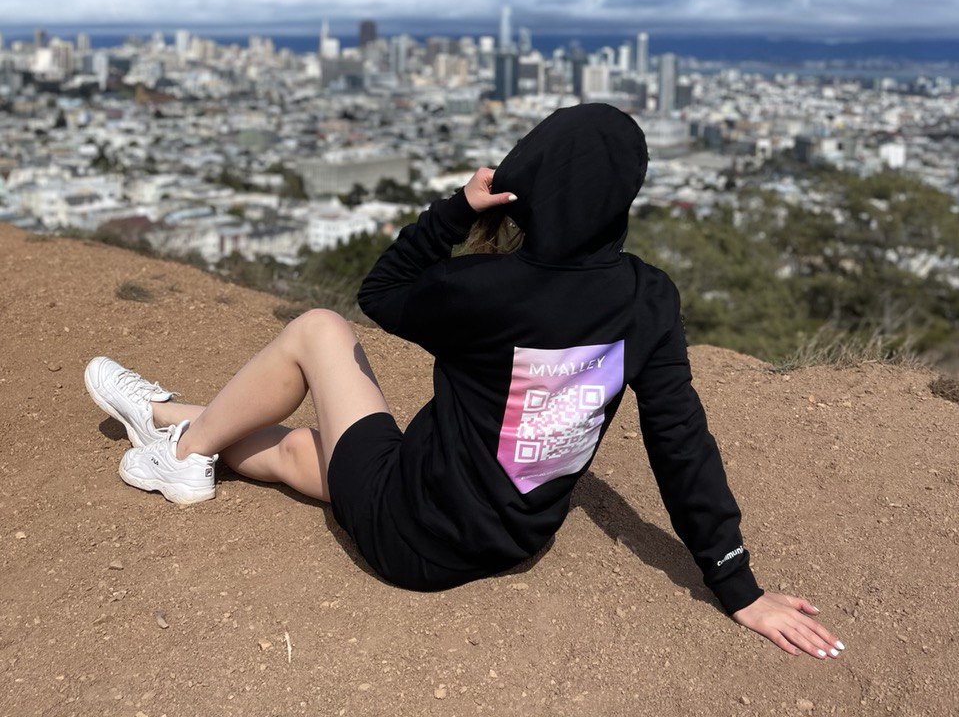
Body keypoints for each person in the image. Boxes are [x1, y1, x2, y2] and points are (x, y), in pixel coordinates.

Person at [85, 103, 845, 660]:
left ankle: (180, 457)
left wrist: (456, 208)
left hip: (405, 517)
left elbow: (377, 295)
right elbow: (679, 440)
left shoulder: (486, 287)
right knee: (295, 456)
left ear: (529, 183)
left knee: (317, 330)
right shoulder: (646, 298)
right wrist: (735, 585)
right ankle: (163, 413)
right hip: (504, 537)